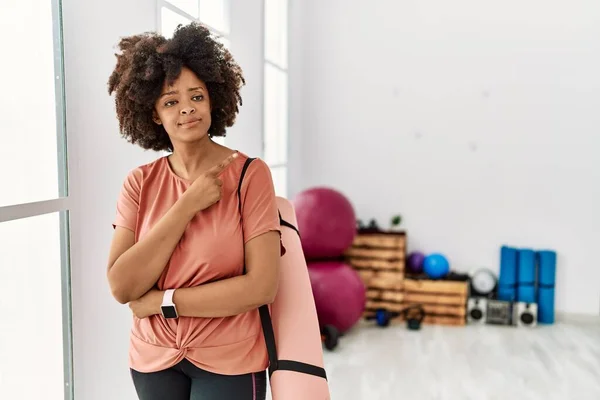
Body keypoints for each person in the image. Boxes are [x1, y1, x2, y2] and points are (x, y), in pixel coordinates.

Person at [105, 22, 284, 400]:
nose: (186, 109)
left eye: (196, 96)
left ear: (212, 99)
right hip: (153, 359)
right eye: (171, 101)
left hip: (230, 358)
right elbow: (122, 286)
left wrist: (162, 302)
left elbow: (261, 286)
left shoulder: (251, 174)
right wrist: (187, 205)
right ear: (154, 114)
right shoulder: (139, 183)